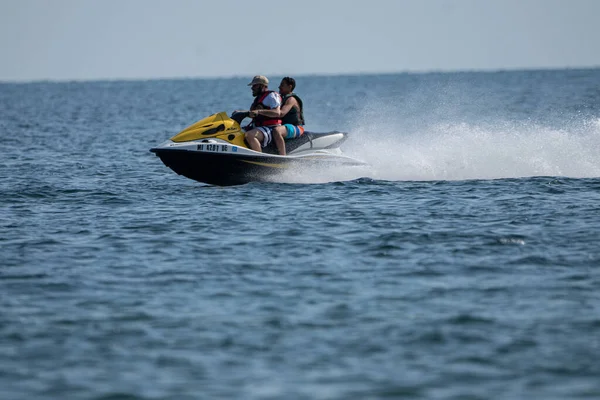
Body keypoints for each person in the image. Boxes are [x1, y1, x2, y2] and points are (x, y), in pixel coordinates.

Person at [249, 77, 305, 155]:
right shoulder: (279, 98)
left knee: (277, 130)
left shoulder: (291, 99)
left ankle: (283, 157)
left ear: (290, 87)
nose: (279, 87)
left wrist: (260, 112)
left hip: (296, 127)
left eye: (282, 85)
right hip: (285, 126)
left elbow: (281, 113)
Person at [243, 75, 282, 152]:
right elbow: (252, 114)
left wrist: (259, 111)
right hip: (259, 127)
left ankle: (259, 159)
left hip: (271, 128)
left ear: (262, 86)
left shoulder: (271, 96)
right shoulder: (258, 99)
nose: (252, 88)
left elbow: (277, 113)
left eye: (255, 86)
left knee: (250, 135)